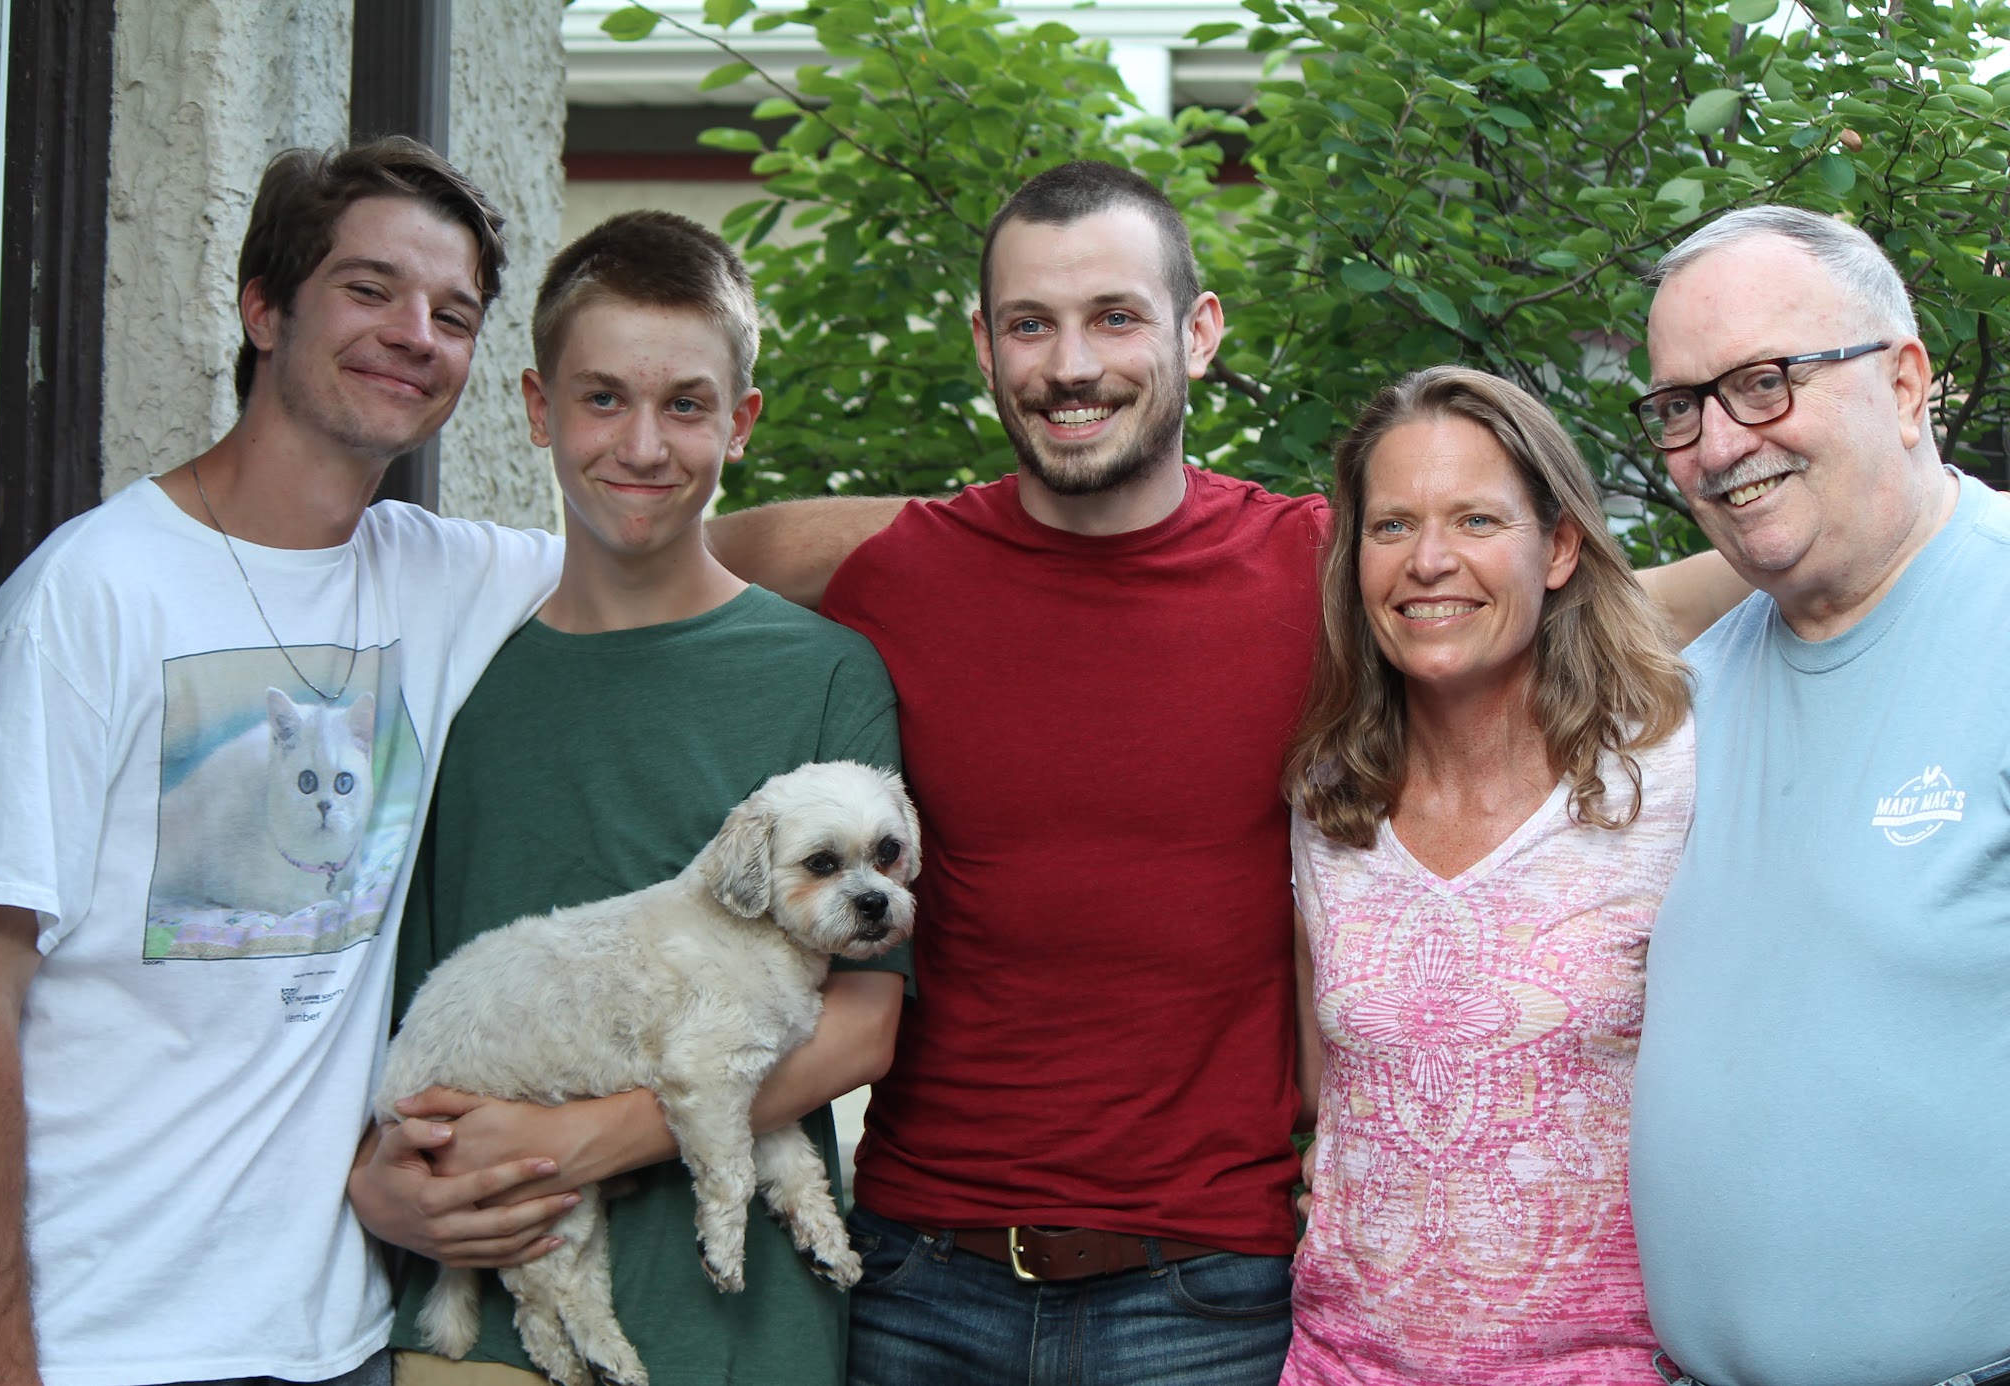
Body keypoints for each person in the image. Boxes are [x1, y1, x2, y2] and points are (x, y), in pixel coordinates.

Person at [706, 162, 1736, 1384]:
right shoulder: (899, 571)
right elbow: (679, 565)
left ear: (1198, 333)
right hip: (922, 1273)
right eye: (1031, 325)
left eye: (1115, 317)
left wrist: (1877, 529)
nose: (1071, 365)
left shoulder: (1320, 570)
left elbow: (1588, 605)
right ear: (984, 347)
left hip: (1200, 1291)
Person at [0, 139, 568, 1386]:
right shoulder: (91, 592)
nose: (414, 334)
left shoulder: (438, 575)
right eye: (369, 289)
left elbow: (710, 558)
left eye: (453, 313)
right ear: (264, 308)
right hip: (96, 1342)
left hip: (329, 1340)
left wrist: (1004, 524)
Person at [352, 210, 909, 1386]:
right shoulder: (452, 667)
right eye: (602, 399)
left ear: (741, 422)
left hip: (747, 1330)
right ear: (538, 408)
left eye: (687, 405)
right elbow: (378, 984)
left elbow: (862, 1021)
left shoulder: (824, 673)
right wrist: (372, 1176)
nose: (645, 445)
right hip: (488, 1310)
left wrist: (578, 1142)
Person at [1626, 206, 2010, 1386]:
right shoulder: (1693, 692)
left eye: (1761, 382)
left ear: (1903, 384)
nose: (1717, 445)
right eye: (1679, 406)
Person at [1278, 366, 1692, 1384]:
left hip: (1608, 1366)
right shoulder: (1329, 803)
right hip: (1342, 1363)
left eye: (1473, 520)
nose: (1428, 562)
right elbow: (1327, 1102)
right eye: (1390, 527)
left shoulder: (1674, 778)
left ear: (1556, 547)